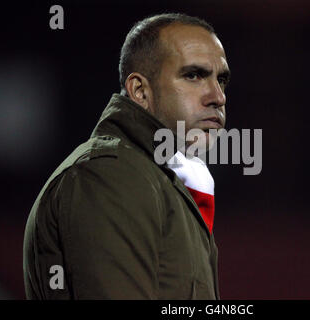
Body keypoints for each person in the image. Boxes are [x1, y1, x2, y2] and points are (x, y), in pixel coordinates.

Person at [23, 12, 230, 299]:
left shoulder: (162, 178)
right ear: (140, 91)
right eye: (193, 75)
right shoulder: (109, 174)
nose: (217, 96)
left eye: (221, 79)